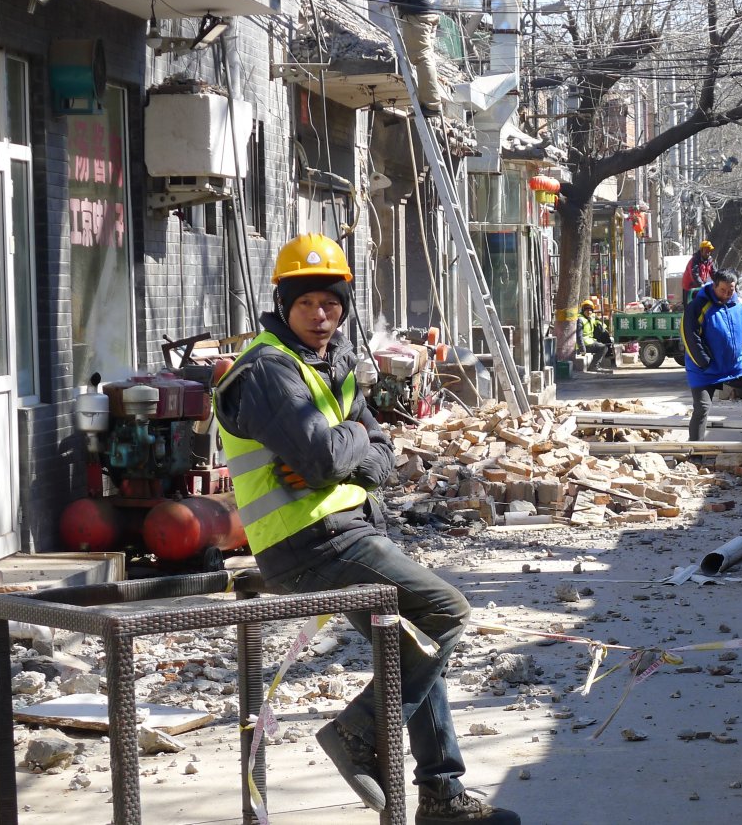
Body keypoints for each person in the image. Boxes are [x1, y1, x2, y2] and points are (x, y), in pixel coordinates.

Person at [214, 234, 518, 825]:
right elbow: (334, 456)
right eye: (306, 304)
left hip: (347, 531)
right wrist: (349, 449)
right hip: (309, 542)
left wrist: (350, 448)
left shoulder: (331, 367)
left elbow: (381, 455)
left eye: (330, 302)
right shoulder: (269, 370)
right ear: (283, 304)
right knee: (447, 613)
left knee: (415, 646)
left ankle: (441, 793)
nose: (321, 315)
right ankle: (358, 732)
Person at [682, 268, 742, 441]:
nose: (727, 294)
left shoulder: (740, 304)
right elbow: (690, 338)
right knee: (702, 408)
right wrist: (705, 363)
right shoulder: (698, 306)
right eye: (723, 290)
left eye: (731, 290)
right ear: (714, 286)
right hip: (704, 370)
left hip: (733, 365)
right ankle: (696, 452)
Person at [391, 0, 443, 117]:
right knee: (425, 55)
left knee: (421, 56)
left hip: (417, 11)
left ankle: (431, 104)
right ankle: (430, 102)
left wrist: (393, 0)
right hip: (429, 9)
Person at [576, 300, 615, 372]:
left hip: (590, 341)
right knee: (603, 348)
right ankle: (594, 366)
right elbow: (579, 335)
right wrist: (582, 349)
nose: (589, 312)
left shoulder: (590, 318)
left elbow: (598, 324)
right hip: (584, 344)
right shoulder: (580, 319)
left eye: (590, 310)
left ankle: (597, 364)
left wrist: (604, 330)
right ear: (583, 310)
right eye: (587, 310)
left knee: (605, 344)